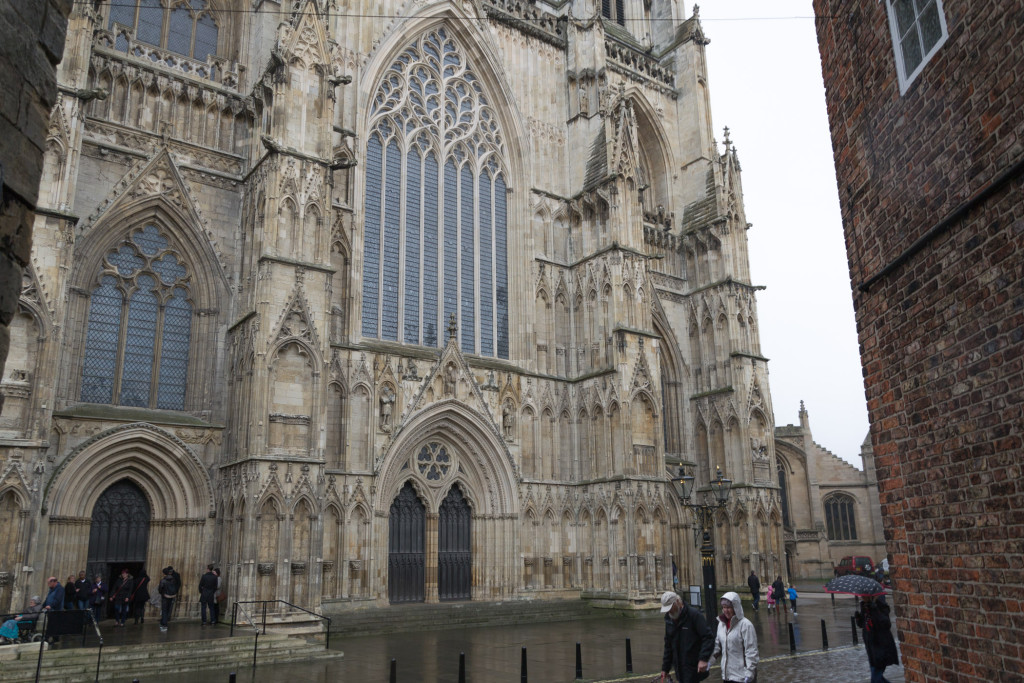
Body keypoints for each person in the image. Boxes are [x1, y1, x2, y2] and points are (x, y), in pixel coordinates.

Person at [659, 591, 714, 683]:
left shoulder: (694, 615)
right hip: (679, 668)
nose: (669, 611)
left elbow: (708, 637)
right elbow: (668, 645)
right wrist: (665, 668)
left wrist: (703, 659)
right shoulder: (669, 619)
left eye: (670, 608)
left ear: (678, 602)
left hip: (693, 666)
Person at [712, 592, 759, 683]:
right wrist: (708, 660)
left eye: (728, 607)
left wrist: (749, 672)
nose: (725, 610)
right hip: (727, 676)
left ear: (735, 607)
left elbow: (751, 651)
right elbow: (718, 646)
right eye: (724, 607)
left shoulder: (746, 625)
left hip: (742, 677)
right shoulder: (721, 624)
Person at [856, 595, 899, 683]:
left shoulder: (880, 605)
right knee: (877, 678)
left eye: (864, 595)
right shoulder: (865, 606)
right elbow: (863, 625)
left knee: (875, 679)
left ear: (870, 595)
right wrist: (858, 618)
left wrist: (874, 609)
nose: (861, 597)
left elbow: (886, 623)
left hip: (882, 646)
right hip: (871, 648)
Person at [158, 566, 180, 632]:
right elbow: (177, 586)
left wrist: (162, 593)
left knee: (164, 610)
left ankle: (164, 624)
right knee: (168, 609)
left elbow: (160, 589)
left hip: (165, 596)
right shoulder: (173, 579)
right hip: (172, 596)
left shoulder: (163, 580)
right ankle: (163, 622)